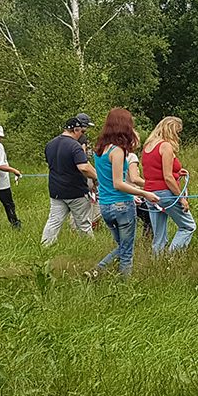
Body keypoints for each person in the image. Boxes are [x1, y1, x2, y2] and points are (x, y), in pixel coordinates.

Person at [91, 108, 160, 278]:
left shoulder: (99, 149)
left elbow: (106, 181)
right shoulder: (117, 151)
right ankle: (118, 282)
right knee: (127, 251)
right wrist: (145, 194)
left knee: (122, 246)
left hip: (105, 206)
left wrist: (133, 195)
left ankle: (96, 271)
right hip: (121, 206)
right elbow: (118, 183)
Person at [142, 116, 197, 254]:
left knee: (159, 237)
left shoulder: (148, 146)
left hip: (150, 195)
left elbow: (155, 170)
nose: (178, 136)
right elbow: (167, 177)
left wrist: (178, 172)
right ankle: (171, 257)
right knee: (188, 226)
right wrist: (181, 198)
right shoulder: (165, 146)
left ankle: (158, 264)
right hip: (166, 194)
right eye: (177, 132)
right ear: (171, 130)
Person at [41, 114, 98, 245]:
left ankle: (45, 246)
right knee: (83, 223)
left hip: (56, 191)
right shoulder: (75, 146)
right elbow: (84, 167)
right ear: (75, 130)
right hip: (75, 191)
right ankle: (89, 248)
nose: (82, 134)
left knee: (54, 221)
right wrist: (98, 177)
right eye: (81, 132)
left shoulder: (50, 144)